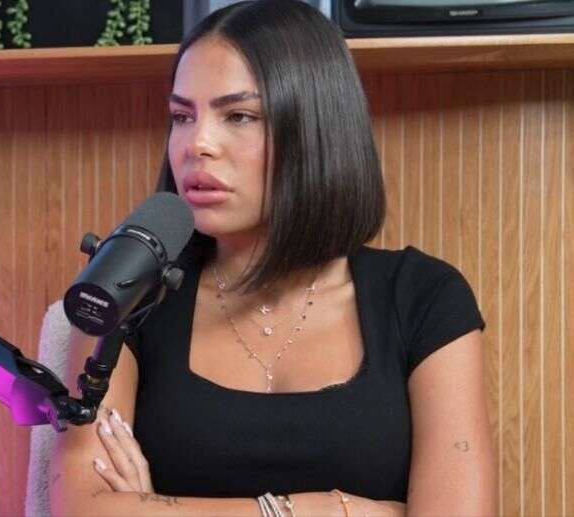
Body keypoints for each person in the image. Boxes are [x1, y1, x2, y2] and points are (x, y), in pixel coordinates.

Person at [48, 1, 496, 515]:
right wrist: (323, 510)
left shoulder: (424, 296)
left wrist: (154, 507)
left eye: (239, 116)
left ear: (317, 129)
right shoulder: (126, 289)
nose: (197, 144)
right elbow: (82, 508)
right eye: (182, 116)